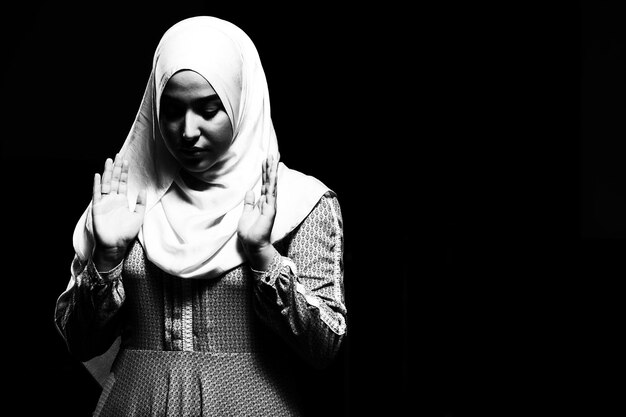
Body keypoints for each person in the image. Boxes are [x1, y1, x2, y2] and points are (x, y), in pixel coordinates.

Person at [54, 16, 346, 416]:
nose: (187, 131)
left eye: (209, 109)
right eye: (172, 110)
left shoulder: (297, 202)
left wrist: (263, 255)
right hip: (135, 406)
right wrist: (106, 259)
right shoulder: (124, 200)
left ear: (242, 103)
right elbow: (80, 343)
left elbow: (324, 349)